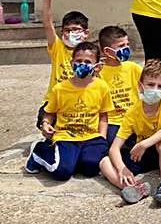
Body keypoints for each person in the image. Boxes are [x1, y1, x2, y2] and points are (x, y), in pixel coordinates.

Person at [99, 60, 161, 206]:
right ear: (141, 86)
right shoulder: (133, 112)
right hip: (145, 151)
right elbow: (114, 148)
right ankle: (132, 189)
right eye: (151, 84)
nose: (155, 89)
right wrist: (122, 169)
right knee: (104, 162)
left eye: (160, 86)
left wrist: (143, 144)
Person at [26, 42, 112, 180]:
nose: (82, 64)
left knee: (91, 168)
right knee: (62, 172)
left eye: (88, 61)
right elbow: (50, 113)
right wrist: (46, 124)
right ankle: (39, 151)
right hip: (66, 136)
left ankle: (72, 158)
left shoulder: (102, 87)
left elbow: (103, 116)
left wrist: (102, 136)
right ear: (72, 63)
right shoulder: (60, 89)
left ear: (97, 65)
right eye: (78, 61)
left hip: (91, 137)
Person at [38, 0, 89, 127]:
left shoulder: (91, 52)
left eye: (76, 30)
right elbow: (48, 25)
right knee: (44, 120)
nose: (71, 33)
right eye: (67, 30)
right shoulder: (58, 48)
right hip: (56, 100)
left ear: (86, 33)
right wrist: (47, 1)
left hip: (79, 100)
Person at [96, 26, 142, 143]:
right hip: (112, 121)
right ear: (107, 51)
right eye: (121, 46)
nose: (126, 49)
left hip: (134, 118)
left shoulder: (133, 67)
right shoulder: (98, 71)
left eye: (127, 45)